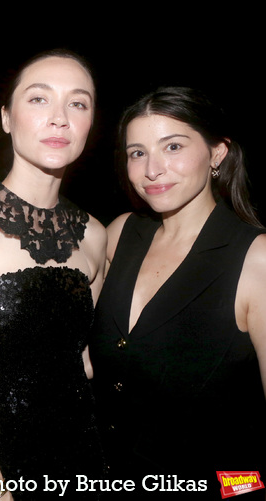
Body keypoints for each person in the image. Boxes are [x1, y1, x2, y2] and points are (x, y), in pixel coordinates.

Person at [0, 50, 107, 500]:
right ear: (7, 118)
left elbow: (82, 363)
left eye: (78, 103)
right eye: (38, 99)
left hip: (82, 463)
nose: (59, 119)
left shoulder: (95, 236)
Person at [89, 87, 266, 496]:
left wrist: (240, 490)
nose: (152, 169)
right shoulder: (120, 235)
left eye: (172, 146)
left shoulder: (254, 259)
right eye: (137, 152)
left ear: (217, 154)